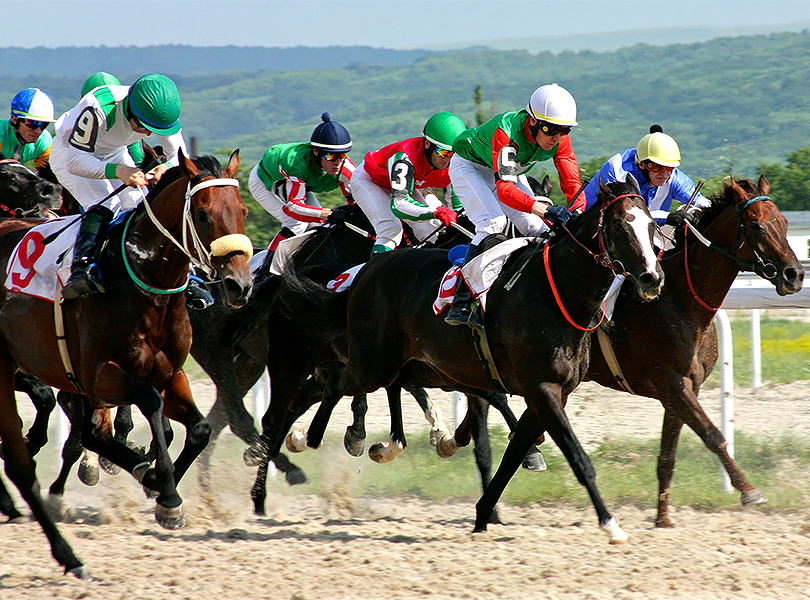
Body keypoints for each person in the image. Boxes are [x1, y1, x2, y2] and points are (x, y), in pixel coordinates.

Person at [444, 83, 583, 327]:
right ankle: (462, 298)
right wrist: (547, 209)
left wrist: (578, 213)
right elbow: (505, 191)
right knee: (492, 223)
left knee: (536, 227)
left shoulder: (560, 140)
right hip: (470, 166)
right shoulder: (506, 131)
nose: (557, 138)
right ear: (532, 121)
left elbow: (572, 185)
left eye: (564, 130)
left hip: (506, 170)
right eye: (551, 129)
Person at [50, 73, 192, 300]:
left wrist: (165, 168)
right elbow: (76, 161)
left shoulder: (160, 113)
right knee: (106, 202)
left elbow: (178, 156)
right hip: (71, 155)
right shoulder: (98, 106)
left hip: (113, 152)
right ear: (130, 109)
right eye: (143, 126)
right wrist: (119, 171)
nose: (146, 134)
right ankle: (80, 270)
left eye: (153, 130)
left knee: (139, 204)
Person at [352, 111, 466, 255]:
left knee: (429, 230)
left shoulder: (453, 165)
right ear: (427, 144)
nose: (447, 160)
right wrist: (437, 211)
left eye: (452, 154)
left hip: (399, 185)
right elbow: (399, 205)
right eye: (443, 153)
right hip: (369, 180)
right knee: (391, 228)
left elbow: (456, 208)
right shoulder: (405, 157)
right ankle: (373, 274)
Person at [249, 112, 355, 252]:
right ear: (316, 152)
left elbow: (357, 202)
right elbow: (293, 207)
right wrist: (327, 213)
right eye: (331, 156)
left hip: (301, 185)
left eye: (342, 155)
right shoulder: (298, 166)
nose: (338, 162)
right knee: (296, 223)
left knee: (320, 226)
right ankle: (266, 269)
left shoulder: (346, 169)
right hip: (267, 181)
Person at [582, 124, 709, 227]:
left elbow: (700, 202)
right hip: (589, 225)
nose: (665, 173)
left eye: (670, 167)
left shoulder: (674, 177)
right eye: (656, 166)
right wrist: (668, 217)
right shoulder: (617, 171)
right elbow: (629, 215)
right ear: (642, 164)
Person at [0, 88, 56, 169]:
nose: (38, 131)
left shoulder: (45, 142)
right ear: (15, 119)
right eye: (32, 123)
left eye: (44, 124)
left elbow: (48, 178)